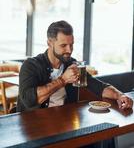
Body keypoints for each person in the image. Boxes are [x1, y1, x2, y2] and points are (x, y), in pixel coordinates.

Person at [17, 20, 133, 148]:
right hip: (35, 127)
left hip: (65, 123)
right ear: (49, 43)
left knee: (104, 136)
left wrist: (120, 95)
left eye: (71, 45)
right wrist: (63, 80)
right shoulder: (31, 65)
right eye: (63, 45)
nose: (69, 50)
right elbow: (29, 100)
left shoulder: (71, 64)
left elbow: (99, 87)